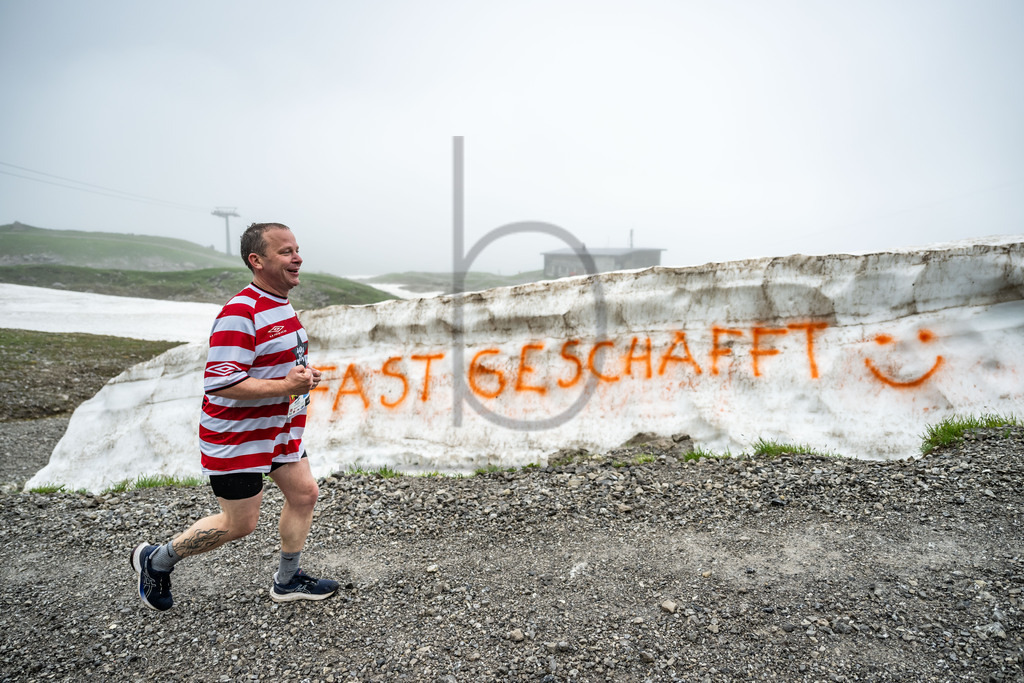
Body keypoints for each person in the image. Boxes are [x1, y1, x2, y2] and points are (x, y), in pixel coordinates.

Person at [131, 222, 338, 611]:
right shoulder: (241, 312)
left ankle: (288, 580)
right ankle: (155, 560)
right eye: (286, 251)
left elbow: (272, 366)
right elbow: (220, 382)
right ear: (256, 261)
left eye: (297, 249)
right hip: (236, 438)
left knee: (304, 494)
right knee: (238, 524)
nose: (298, 258)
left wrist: (302, 376)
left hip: (278, 430)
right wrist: (284, 386)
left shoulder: (280, 303)